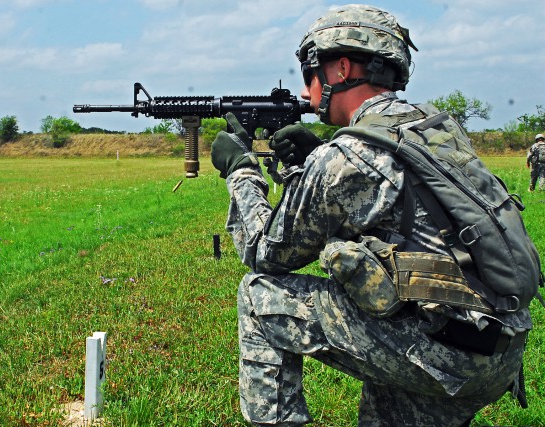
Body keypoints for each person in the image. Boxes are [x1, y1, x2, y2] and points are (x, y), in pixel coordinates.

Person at [210, 4, 531, 426]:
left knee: (257, 295)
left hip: (442, 351)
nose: (306, 91)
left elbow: (263, 252)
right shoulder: (432, 126)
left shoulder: (346, 156)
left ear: (341, 69)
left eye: (309, 74)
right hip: (495, 343)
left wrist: (241, 170)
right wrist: (312, 163)